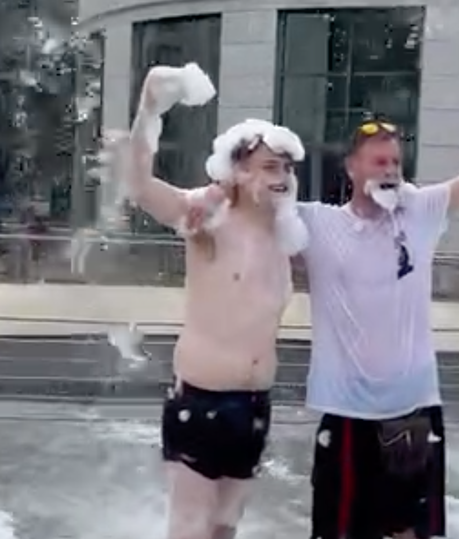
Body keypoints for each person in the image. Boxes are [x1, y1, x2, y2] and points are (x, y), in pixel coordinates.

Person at [185, 42, 459, 539]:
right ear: (352, 169)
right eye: (379, 162)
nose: (391, 171)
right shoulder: (317, 223)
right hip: (347, 415)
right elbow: (256, 193)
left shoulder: (421, 211)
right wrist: (215, 192)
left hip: (414, 412)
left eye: (395, 162)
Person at [105, 63, 309, 539]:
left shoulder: (287, 233)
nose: (281, 177)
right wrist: (149, 109)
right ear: (239, 172)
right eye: (269, 167)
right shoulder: (209, 218)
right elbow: (140, 186)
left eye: (286, 167)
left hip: (255, 404)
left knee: (224, 529)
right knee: (190, 530)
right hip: (200, 402)